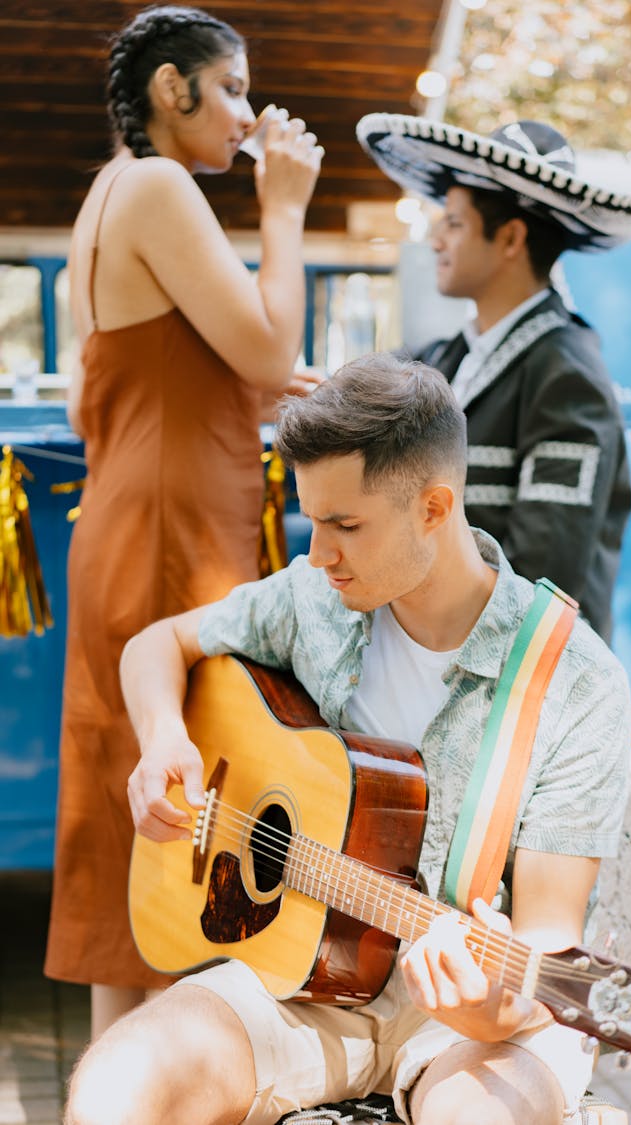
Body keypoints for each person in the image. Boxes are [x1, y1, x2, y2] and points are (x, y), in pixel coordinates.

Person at [64, 354, 631, 1125]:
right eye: (312, 518)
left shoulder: (575, 679)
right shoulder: (314, 599)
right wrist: (164, 738)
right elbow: (155, 646)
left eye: (346, 525)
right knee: (120, 1078)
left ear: (434, 507)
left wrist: (487, 1012)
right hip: (305, 980)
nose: (319, 551)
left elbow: (546, 946)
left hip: (477, 1022)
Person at [44, 3, 323, 1038]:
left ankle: (121, 1076)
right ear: (175, 89)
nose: (248, 117)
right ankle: (156, 1077)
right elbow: (261, 346)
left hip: (130, 523)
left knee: (139, 798)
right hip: (168, 536)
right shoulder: (158, 182)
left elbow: (105, 394)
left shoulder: (110, 191)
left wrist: (241, 390)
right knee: (177, 796)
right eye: (235, 89)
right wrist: (284, 208)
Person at [356, 114, 631, 642]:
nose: (435, 241)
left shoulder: (567, 375)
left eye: (453, 223)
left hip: (523, 690)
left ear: (511, 239)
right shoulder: (444, 359)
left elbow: (544, 579)